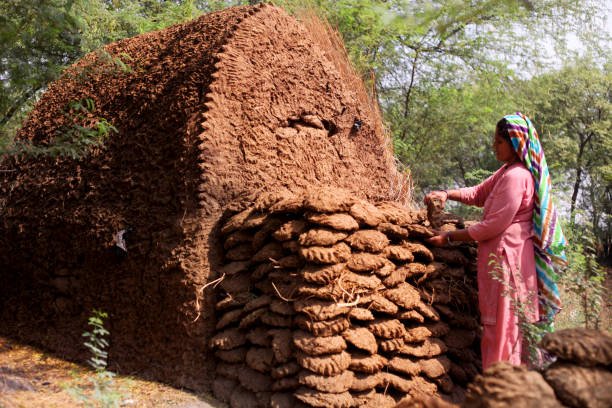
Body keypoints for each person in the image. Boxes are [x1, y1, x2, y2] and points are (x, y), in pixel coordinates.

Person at [424, 113, 567, 370]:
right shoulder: (507, 172)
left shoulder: (516, 177)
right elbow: (478, 193)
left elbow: (494, 225)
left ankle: (500, 391)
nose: (494, 146)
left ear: (515, 144)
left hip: (508, 262)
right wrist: (447, 193)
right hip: (505, 259)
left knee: (503, 329)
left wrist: (449, 237)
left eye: (498, 142)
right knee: (502, 326)